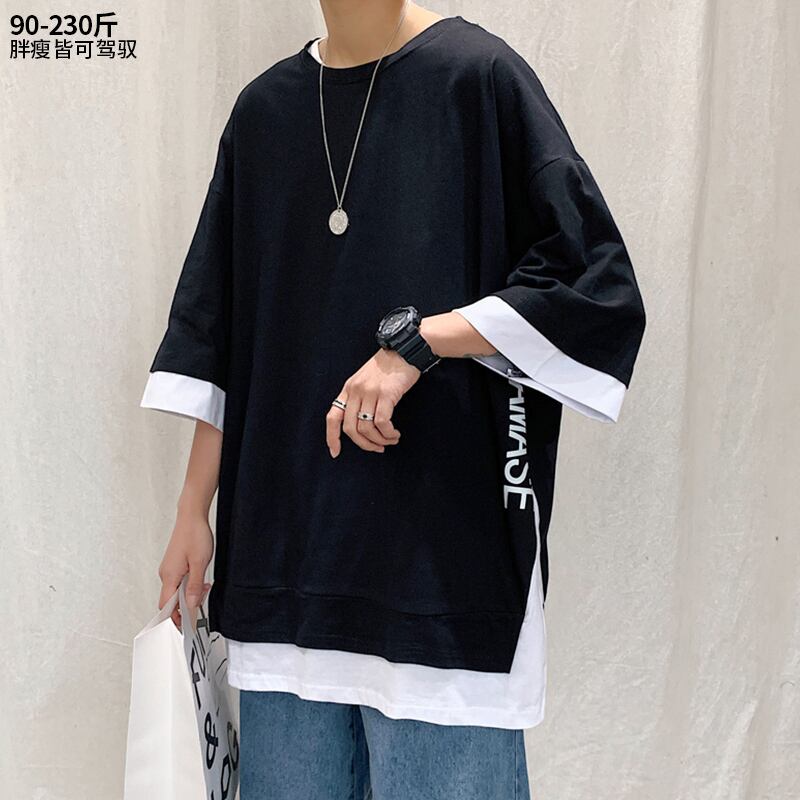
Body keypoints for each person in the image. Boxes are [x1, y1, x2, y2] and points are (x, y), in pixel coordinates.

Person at [139, 1, 646, 797]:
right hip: (282, 569)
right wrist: (191, 511)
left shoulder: (479, 79)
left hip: (441, 577)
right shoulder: (264, 113)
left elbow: (594, 283)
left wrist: (420, 343)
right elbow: (227, 330)